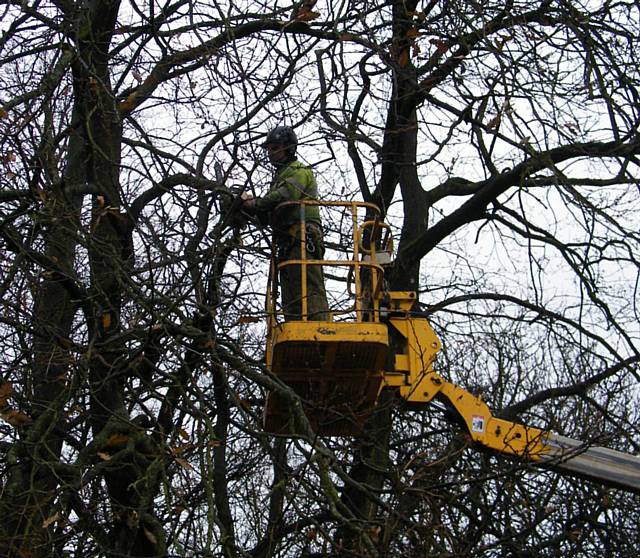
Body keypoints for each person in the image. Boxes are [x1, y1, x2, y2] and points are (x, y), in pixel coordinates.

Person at [242, 126, 329, 321]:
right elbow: (266, 215)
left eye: (275, 148)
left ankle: (319, 325)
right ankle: (296, 324)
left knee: (308, 286)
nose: (271, 153)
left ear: (289, 147)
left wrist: (254, 202)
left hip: (303, 238)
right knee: (291, 290)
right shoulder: (279, 177)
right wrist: (244, 208)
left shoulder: (299, 170)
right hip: (287, 243)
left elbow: (286, 195)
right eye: (269, 149)